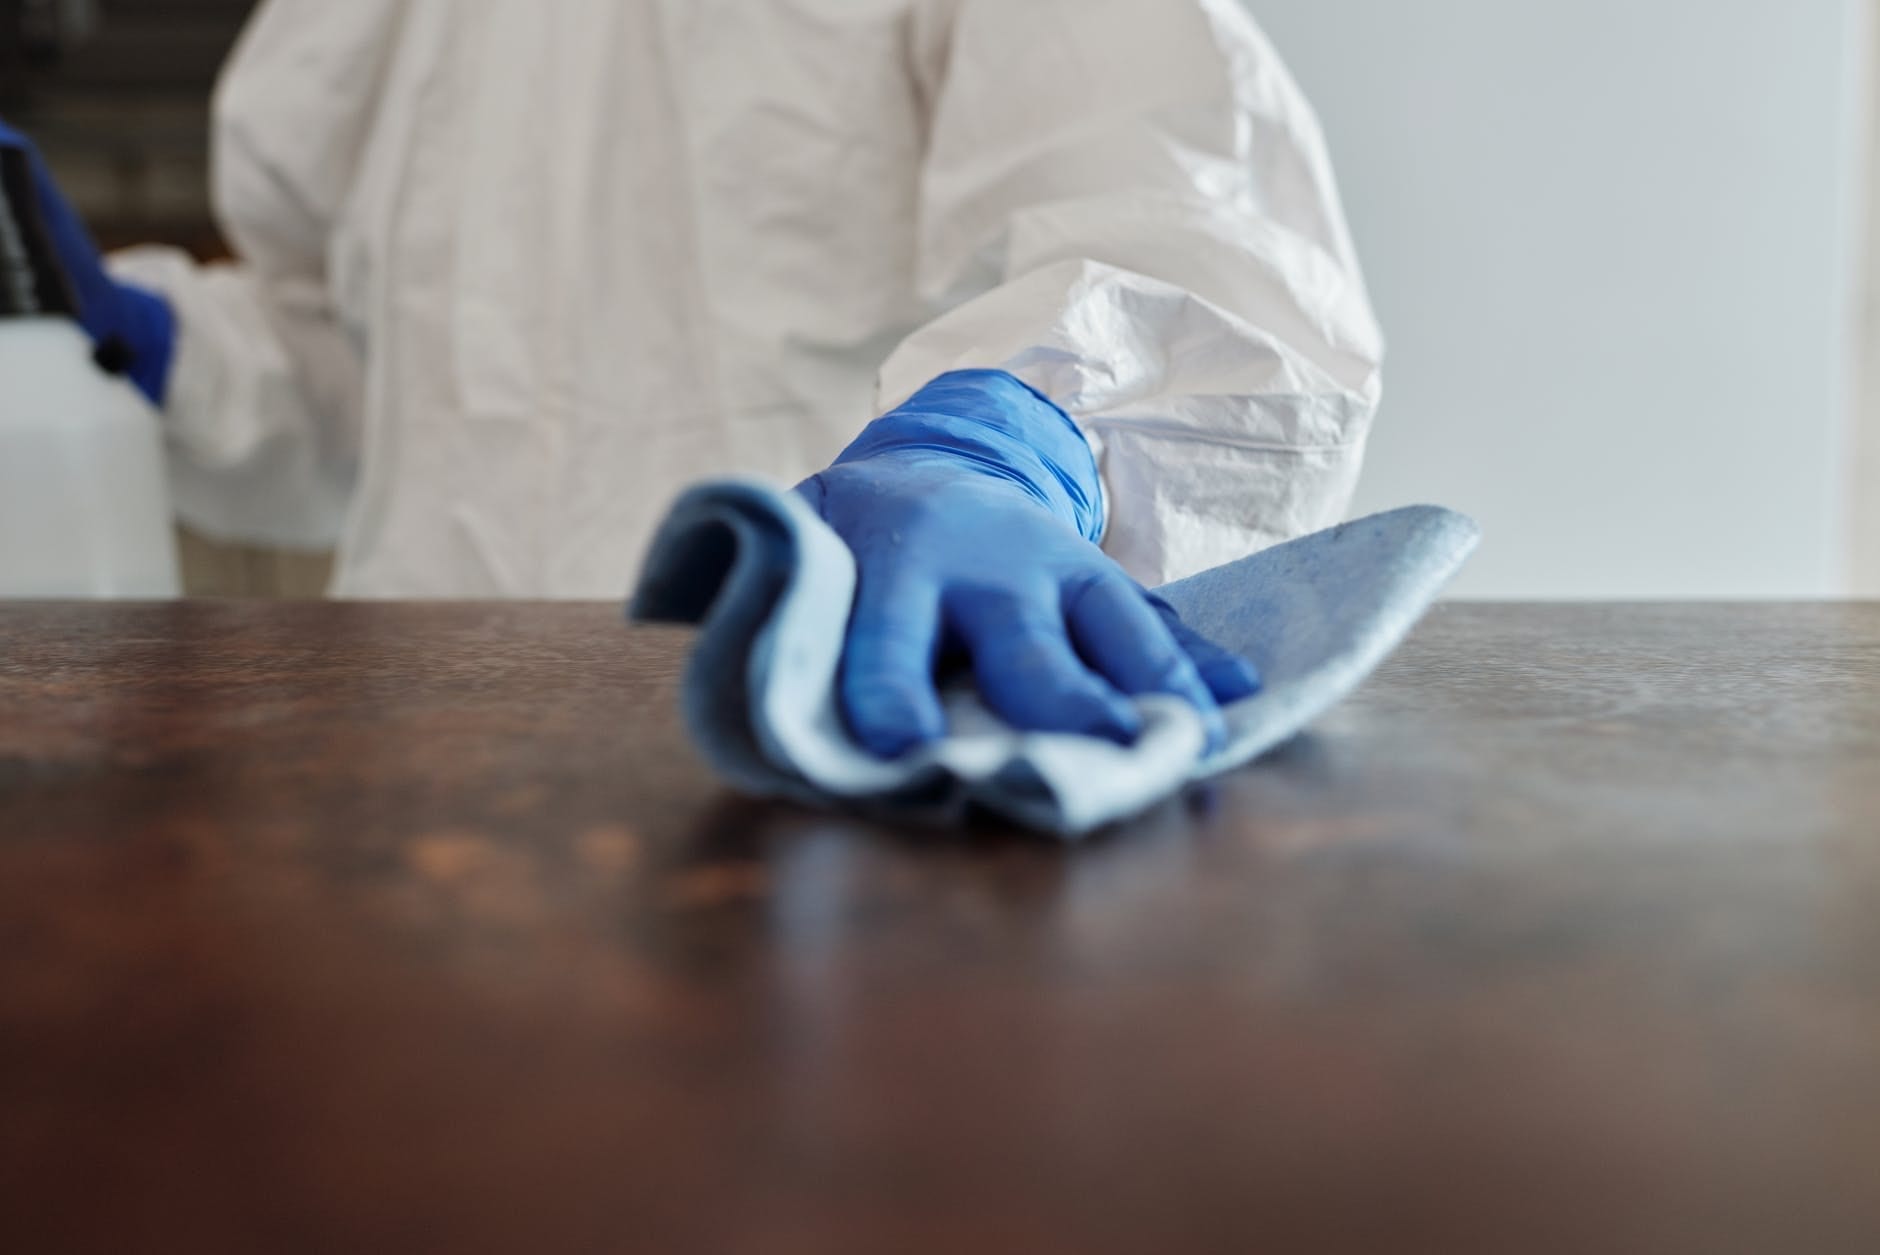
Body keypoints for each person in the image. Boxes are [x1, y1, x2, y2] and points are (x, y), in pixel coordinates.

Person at [2, 0, 1381, 757]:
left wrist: (1013, 433)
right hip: (416, 760)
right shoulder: (363, 22)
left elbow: (1198, 228)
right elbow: (359, 397)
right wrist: (152, 340)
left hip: (832, 724)